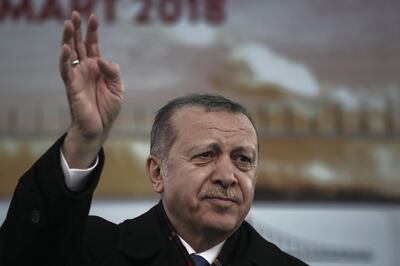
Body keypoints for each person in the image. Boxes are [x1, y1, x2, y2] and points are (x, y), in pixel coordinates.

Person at [0, 11, 308, 266]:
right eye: (206, 155)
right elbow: (23, 255)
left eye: (242, 159)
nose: (228, 176)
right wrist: (84, 138)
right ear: (157, 172)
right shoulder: (92, 251)